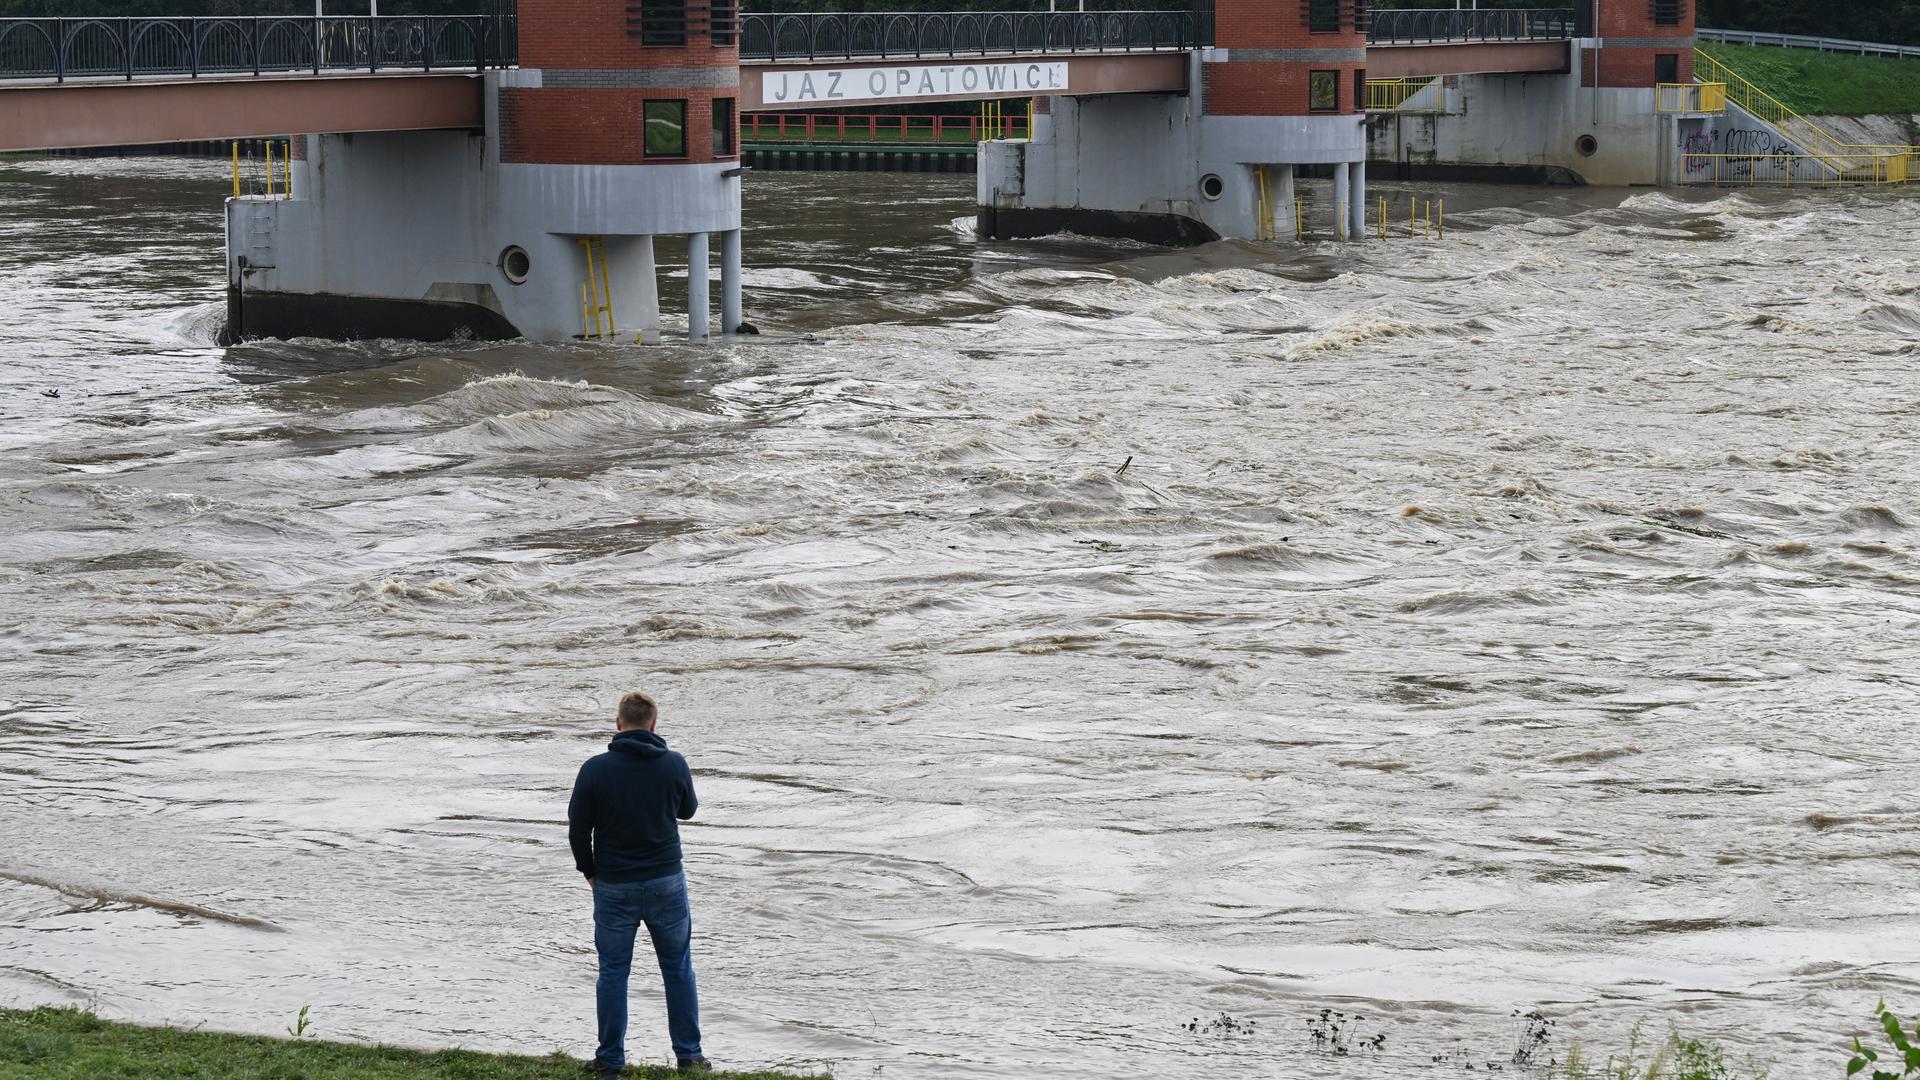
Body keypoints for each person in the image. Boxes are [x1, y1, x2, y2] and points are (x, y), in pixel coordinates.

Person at [568, 691, 709, 1076]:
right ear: (653, 724)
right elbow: (688, 811)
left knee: (613, 971)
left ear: (617, 724)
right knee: (678, 968)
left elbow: (579, 831)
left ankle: (611, 1060)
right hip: (666, 881)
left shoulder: (594, 769)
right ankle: (690, 1056)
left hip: (614, 884)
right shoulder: (674, 763)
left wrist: (590, 872)